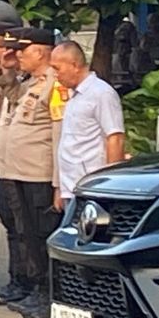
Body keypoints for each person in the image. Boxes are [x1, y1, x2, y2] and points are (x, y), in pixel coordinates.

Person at [0, 29, 62, 318]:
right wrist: (6, 66)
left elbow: (59, 135)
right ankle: (37, 288)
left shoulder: (54, 86)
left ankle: (50, 293)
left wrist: (59, 181)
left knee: (42, 232)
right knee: (26, 233)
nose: (18, 55)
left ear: (42, 52)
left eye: (24, 51)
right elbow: (1, 89)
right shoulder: (28, 84)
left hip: (40, 174)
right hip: (18, 172)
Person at [50, 39, 125, 202]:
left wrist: (111, 186)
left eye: (57, 68)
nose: (55, 75)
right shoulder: (74, 95)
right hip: (71, 187)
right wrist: (62, 189)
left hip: (93, 189)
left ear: (74, 65)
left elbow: (115, 138)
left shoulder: (101, 93)